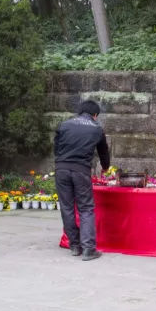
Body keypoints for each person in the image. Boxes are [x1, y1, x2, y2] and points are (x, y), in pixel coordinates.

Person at [54, 100, 110, 261]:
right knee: (85, 208)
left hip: (61, 169)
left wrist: (61, 163)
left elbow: (56, 148)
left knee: (67, 207)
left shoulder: (64, 125)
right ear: (95, 115)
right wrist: (106, 167)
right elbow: (103, 152)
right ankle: (88, 249)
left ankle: (74, 246)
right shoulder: (96, 129)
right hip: (80, 170)